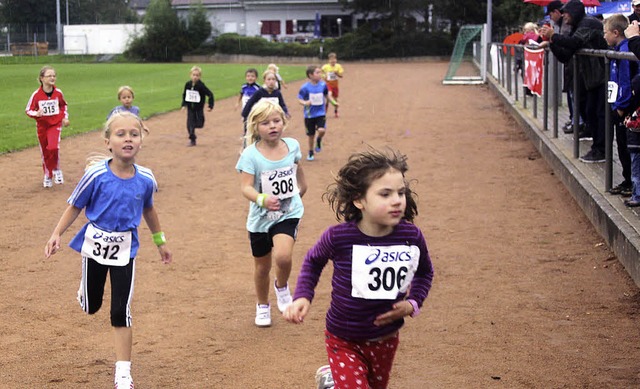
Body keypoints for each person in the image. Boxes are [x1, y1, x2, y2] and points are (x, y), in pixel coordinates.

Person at [284, 148, 434, 389]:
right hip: (343, 338)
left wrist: (413, 303)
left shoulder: (411, 236)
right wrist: (303, 295)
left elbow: (425, 272)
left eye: (400, 193)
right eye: (385, 194)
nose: (397, 200)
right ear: (359, 200)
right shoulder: (339, 237)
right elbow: (313, 261)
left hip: (386, 338)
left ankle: (333, 381)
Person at [44, 111, 173, 389]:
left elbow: (149, 209)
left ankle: (123, 372)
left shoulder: (146, 179)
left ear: (141, 140)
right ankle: (85, 289)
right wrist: (56, 233)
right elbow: (76, 205)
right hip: (95, 246)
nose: (128, 139)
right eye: (120, 134)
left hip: (125, 249)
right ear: (108, 142)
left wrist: (160, 242)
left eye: (134, 134)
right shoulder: (96, 175)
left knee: (120, 310)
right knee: (92, 306)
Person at [236, 99, 307, 327]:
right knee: (262, 267)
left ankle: (282, 286)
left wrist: (299, 192)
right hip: (260, 218)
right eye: (266, 123)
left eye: (276, 121)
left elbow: (298, 171)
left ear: (283, 122)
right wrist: (261, 199)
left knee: (283, 256)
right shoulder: (250, 155)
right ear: (256, 127)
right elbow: (245, 187)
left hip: (287, 212)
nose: (273, 126)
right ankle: (262, 304)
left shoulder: (292, 146)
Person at [540, 0, 608, 163]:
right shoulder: (576, 27)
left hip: (602, 77)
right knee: (590, 112)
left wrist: (553, 36)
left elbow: (574, 43)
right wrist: (552, 43)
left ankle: (601, 150)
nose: (564, 16)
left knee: (599, 114)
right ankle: (597, 148)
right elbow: (566, 55)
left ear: (574, 13)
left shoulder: (588, 23)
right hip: (591, 78)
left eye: (567, 13)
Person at [604, 14, 636, 196]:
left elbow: (626, 81)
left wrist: (622, 106)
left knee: (627, 146)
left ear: (616, 33)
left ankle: (632, 181)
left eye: (605, 32)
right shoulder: (618, 50)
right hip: (619, 104)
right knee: (622, 146)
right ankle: (628, 179)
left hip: (625, 107)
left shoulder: (625, 52)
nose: (604, 37)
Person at [25, 65, 70, 188]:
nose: (52, 78)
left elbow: (63, 106)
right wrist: (36, 114)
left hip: (55, 124)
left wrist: (65, 117)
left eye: (54, 75)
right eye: (49, 75)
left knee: (53, 147)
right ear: (41, 78)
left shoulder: (58, 93)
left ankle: (56, 169)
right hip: (42, 126)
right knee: (45, 151)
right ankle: (48, 174)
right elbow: (28, 110)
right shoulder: (36, 95)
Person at [297, 65, 338, 161]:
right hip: (309, 115)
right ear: (310, 75)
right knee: (311, 135)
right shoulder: (305, 87)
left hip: (320, 113)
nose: (320, 74)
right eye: (317, 72)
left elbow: (327, 95)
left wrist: (334, 103)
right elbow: (299, 99)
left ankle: (319, 140)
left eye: (320, 72)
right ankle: (311, 152)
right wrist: (305, 103)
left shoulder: (323, 85)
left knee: (322, 130)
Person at [181, 65, 214, 147]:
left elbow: (210, 94)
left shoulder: (201, 86)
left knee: (200, 123)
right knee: (189, 123)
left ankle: (194, 126)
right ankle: (192, 139)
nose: (195, 77)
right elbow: (185, 94)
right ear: (190, 75)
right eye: (193, 75)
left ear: (200, 76)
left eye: (197, 75)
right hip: (190, 108)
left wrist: (210, 105)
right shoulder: (187, 84)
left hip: (199, 108)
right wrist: (184, 105)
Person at [623, 75, 640, 207]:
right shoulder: (634, 111)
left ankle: (637, 196)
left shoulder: (637, 112)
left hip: (635, 144)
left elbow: (635, 124)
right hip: (633, 143)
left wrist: (629, 123)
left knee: (636, 174)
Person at [322, 52, 344, 118]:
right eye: (331, 60)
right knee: (329, 95)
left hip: (335, 85)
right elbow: (321, 72)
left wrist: (337, 73)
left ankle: (336, 111)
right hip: (328, 84)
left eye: (334, 59)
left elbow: (341, 76)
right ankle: (324, 112)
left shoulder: (338, 67)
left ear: (336, 60)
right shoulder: (325, 67)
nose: (333, 61)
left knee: (335, 98)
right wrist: (324, 76)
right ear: (329, 60)